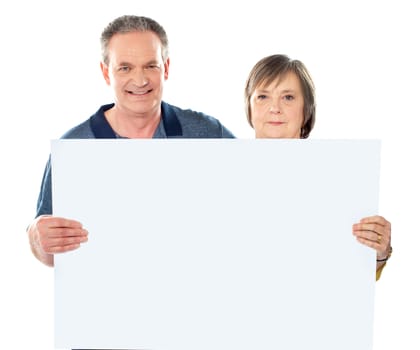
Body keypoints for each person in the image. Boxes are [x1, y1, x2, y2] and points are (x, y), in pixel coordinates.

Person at [27, 15, 235, 267]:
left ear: (166, 68)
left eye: (151, 66)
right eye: (125, 67)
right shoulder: (73, 147)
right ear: (106, 72)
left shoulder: (207, 132)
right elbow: (49, 250)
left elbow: (257, 193)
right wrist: (37, 240)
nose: (140, 80)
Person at [244, 54, 392, 280]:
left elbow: (342, 272)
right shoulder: (218, 177)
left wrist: (377, 254)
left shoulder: (339, 177)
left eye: (288, 97)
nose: (275, 107)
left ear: (307, 109)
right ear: (250, 106)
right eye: (263, 96)